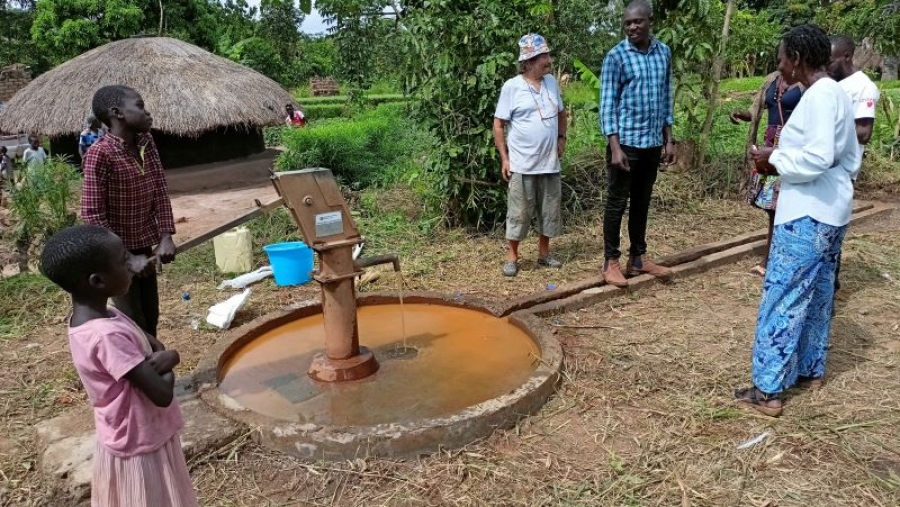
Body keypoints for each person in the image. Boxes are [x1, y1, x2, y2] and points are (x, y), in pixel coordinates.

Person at [735, 25, 859, 417]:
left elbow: (818, 157)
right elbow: (847, 157)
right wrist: (782, 153)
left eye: (783, 59)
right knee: (819, 294)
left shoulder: (819, 97)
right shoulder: (835, 93)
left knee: (784, 295)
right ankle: (810, 369)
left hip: (807, 212)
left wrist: (774, 160)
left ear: (799, 59)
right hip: (832, 210)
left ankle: (767, 390)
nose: (781, 66)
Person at [39, 225, 197, 507]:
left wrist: (163, 356)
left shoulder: (106, 314)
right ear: (98, 281)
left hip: (136, 433)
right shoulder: (106, 336)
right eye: (124, 261)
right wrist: (172, 359)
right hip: (139, 443)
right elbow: (161, 394)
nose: (133, 266)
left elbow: (150, 345)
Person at [81, 85, 177, 338]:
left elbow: (159, 188)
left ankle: (155, 370)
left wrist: (166, 235)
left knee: (151, 316)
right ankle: (141, 374)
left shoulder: (146, 142)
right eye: (140, 106)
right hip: (113, 256)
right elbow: (93, 217)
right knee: (134, 322)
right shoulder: (99, 154)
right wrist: (125, 258)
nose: (148, 113)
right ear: (117, 112)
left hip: (144, 247)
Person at [599, 0, 676, 288]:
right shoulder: (616, 56)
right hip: (626, 144)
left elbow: (667, 96)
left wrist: (669, 139)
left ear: (649, 21)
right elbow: (607, 105)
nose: (632, 27)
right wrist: (615, 147)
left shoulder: (664, 53)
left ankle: (638, 258)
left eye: (637, 22)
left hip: (652, 142)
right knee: (617, 203)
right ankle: (610, 262)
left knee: (642, 202)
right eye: (627, 23)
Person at [493, 33, 567, 277]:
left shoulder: (551, 84)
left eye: (547, 54)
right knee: (519, 212)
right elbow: (499, 124)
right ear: (530, 60)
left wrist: (561, 138)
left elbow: (561, 114)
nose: (549, 59)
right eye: (544, 56)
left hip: (549, 162)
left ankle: (544, 254)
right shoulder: (512, 87)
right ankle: (512, 256)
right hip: (522, 164)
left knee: (549, 209)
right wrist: (505, 158)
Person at [729, 71, 805, 277]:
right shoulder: (773, 79)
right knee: (772, 205)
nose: (780, 62)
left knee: (787, 204)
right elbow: (756, 109)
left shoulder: (805, 83)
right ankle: (773, 256)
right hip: (770, 144)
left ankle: (776, 257)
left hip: (792, 145)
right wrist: (742, 114)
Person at [828, 34, 880, 293]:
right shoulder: (831, 84)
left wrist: (827, 128)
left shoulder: (863, 87)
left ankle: (830, 290)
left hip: (842, 172)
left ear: (846, 56)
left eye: (830, 60)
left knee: (832, 234)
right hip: (823, 168)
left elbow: (864, 132)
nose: (826, 66)